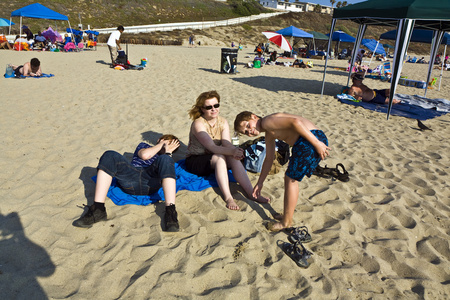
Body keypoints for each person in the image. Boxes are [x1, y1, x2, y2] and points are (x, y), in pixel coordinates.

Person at [234, 112, 331, 231]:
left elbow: (295, 121)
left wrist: (316, 143)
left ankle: (286, 222)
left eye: (248, 125)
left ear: (254, 116)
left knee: (290, 179)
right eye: (246, 132)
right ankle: (287, 217)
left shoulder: (266, 121)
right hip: (308, 140)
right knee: (290, 178)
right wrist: (260, 183)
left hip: (310, 139)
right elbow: (269, 160)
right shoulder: (269, 133)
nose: (250, 131)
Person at [73, 134, 181, 231]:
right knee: (110, 154)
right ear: (160, 140)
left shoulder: (166, 157)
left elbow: (166, 171)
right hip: (131, 176)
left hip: (151, 181)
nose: (169, 145)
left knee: (165, 159)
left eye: (172, 145)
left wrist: (168, 153)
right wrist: (162, 144)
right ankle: (98, 209)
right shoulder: (144, 146)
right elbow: (145, 155)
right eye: (168, 142)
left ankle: (170, 212)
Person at [186, 90, 270, 210]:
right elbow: (211, 147)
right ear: (202, 109)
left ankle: (252, 193)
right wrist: (232, 151)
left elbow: (226, 142)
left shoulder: (222, 121)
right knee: (220, 158)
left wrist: (236, 151)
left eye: (216, 105)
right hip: (196, 159)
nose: (213, 109)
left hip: (215, 155)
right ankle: (228, 197)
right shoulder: (198, 124)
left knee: (233, 156)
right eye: (209, 107)